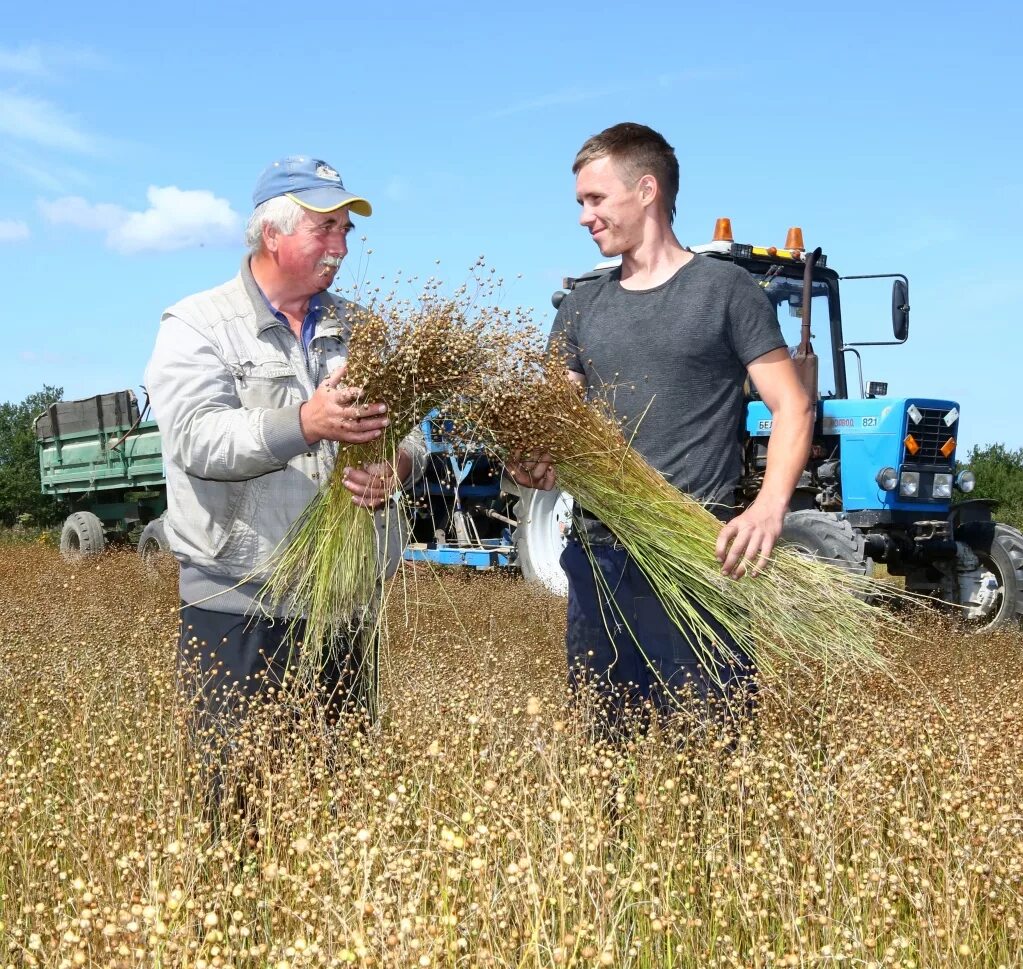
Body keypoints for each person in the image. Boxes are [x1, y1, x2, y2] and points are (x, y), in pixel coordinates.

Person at [509, 123, 814, 720]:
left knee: (709, 741)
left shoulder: (725, 290)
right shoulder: (581, 305)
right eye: (580, 203)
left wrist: (769, 507)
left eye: (595, 199)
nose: (583, 217)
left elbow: (793, 405)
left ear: (646, 191)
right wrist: (533, 456)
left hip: (698, 556)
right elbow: (556, 420)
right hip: (599, 554)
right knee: (608, 746)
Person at [145, 155, 426, 736]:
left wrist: (397, 465)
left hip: (346, 604)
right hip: (238, 601)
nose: (341, 247)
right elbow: (197, 439)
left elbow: (413, 435)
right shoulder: (198, 325)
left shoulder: (363, 329)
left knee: (341, 795)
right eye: (325, 227)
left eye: (346, 230)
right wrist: (304, 421)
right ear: (271, 234)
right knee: (240, 798)